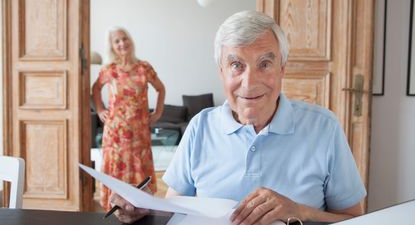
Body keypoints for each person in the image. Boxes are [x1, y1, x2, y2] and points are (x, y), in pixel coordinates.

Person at [110, 11, 366, 224]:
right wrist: (144, 208)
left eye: (264, 64)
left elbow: (354, 219)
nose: (249, 82)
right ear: (221, 72)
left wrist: (300, 211)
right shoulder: (200, 127)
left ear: (282, 69)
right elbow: (175, 209)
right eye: (236, 65)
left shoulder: (324, 128)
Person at [92, 26, 165, 211]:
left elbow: (161, 88)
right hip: (115, 133)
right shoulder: (109, 69)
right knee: (116, 169)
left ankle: (140, 207)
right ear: (112, 47)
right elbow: (95, 89)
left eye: (124, 38)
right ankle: (114, 208)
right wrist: (100, 109)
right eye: (117, 41)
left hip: (139, 131)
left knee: (138, 168)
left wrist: (158, 113)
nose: (122, 43)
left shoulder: (144, 67)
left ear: (130, 40)